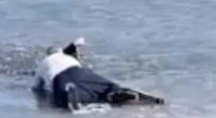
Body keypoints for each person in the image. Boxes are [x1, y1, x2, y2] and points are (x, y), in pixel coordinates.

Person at [32, 38, 163, 110]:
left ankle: (71, 98)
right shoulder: (68, 57)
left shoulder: (43, 63)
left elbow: (36, 88)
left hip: (60, 79)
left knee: (61, 101)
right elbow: (77, 44)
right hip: (80, 73)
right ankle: (123, 95)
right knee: (105, 89)